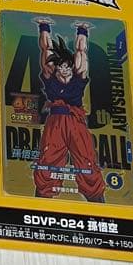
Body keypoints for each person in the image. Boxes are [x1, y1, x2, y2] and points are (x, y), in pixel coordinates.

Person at [33, 22, 105, 201]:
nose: (64, 70)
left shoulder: (78, 77)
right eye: (60, 67)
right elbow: (46, 50)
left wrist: (82, 31)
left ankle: (96, 199)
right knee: (48, 160)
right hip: (56, 123)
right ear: (56, 68)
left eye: (67, 67)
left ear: (71, 66)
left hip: (75, 122)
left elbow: (81, 52)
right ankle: (42, 199)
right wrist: (44, 28)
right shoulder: (50, 77)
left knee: (86, 159)